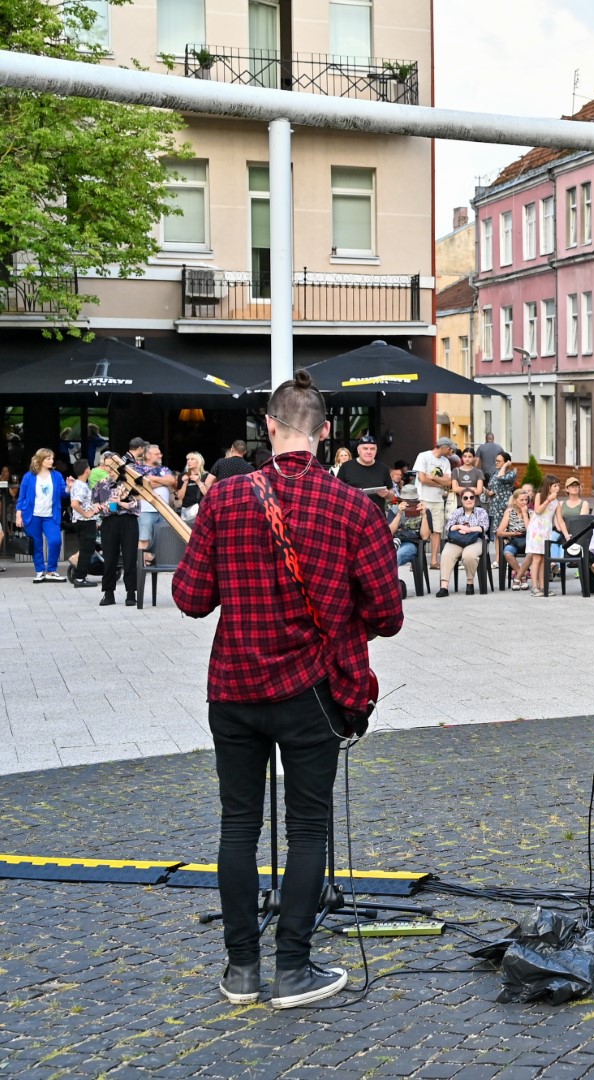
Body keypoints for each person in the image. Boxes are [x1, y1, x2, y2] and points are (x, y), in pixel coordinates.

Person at [174, 368, 403, 1009]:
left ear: (269, 427)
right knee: (306, 829)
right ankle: (293, 971)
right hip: (312, 690)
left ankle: (242, 971)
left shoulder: (224, 498)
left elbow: (191, 598)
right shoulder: (354, 507)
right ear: (324, 433)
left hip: (235, 686)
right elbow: (388, 615)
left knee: (238, 826)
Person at [92, 451, 141, 606]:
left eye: (113, 465)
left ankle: (131, 593)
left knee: (130, 559)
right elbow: (95, 504)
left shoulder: (129, 483)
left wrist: (120, 503)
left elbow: (137, 506)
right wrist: (98, 507)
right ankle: (108, 593)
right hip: (109, 522)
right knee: (109, 559)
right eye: (107, 466)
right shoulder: (101, 484)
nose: (110, 469)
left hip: (128, 521)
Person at [15, 448, 69, 582]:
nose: (51, 461)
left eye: (52, 458)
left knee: (55, 541)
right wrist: (18, 515)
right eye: (48, 458)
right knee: (36, 544)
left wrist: (69, 487)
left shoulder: (57, 475)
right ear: (40, 460)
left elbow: (64, 493)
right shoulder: (29, 476)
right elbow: (21, 497)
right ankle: (39, 571)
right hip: (32, 515)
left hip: (51, 515)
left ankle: (51, 570)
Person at [410, 438, 457, 569]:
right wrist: (440, 482)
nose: (451, 451)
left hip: (438, 499)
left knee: (437, 530)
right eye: (449, 449)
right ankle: (416, 560)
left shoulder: (445, 461)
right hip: (422, 497)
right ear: (443, 447)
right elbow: (422, 479)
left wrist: (434, 477)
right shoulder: (423, 456)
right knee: (420, 530)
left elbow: (449, 482)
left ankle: (434, 561)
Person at [437, 491, 489, 597]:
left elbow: (484, 527)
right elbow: (448, 527)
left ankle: (470, 583)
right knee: (446, 554)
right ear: (461, 500)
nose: (469, 500)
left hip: (476, 539)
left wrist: (469, 529)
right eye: (465, 498)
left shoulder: (481, 511)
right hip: (458, 540)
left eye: (471, 497)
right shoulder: (457, 512)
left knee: (469, 555)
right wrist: (459, 527)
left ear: (475, 499)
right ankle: (444, 587)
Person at [133, 443, 177, 566]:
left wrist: (151, 478)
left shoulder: (164, 468)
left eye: (160, 453)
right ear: (147, 455)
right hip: (146, 509)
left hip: (164, 510)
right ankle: (141, 565)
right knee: (144, 537)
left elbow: (172, 481)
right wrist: (163, 481)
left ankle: (161, 562)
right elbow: (143, 485)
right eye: (157, 454)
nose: (160, 455)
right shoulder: (138, 469)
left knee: (163, 537)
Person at [335, 435, 392, 517]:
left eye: (372, 449)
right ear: (358, 450)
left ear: (376, 451)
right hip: (352, 515)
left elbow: (392, 496)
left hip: (376, 517)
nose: (369, 452)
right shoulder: (346, 467)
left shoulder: (383, 468)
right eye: (365, 448)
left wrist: (386, 494)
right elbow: (336, 491)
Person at [67, 459, 100, 587]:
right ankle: (80, 578)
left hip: (82, 521)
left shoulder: (77, 484)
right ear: (86, 470)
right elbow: (74, 503)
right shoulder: (81, 486)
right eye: (89, 468)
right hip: (84, 521)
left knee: (86, 548)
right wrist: (86, 514)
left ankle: (80, 576)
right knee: (87, 549)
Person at [496, 487, 532, 588]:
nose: (524, 502)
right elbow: (499, 532)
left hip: (527, 541)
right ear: (515, 501)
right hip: (514, 541)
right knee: (507, 553)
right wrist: (513, 533)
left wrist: (524, 514)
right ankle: (523, 577)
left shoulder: (531, 513)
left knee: (531, 554)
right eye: (521, 500)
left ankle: (517, 579)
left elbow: (530, 530)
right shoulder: (509, 512)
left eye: (526, 500)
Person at [389, 485, 430, 572]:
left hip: (412, 543)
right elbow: (389, 532)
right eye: (406, 501)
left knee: (398, 555)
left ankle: (390, 579)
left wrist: (424, 515)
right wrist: (399, 514)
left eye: (413, 501)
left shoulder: (425, 511)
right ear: (402, 499)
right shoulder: (395, 510)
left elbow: (425, 537)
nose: (409, 503)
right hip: (394, 541)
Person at [486, 452, 518, 532]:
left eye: (499, 461)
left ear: (506, 462)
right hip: (494, 505)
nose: (496, 463)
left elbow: (500, 478)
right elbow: (490, 486)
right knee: (495, 531)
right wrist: (489, 492)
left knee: (503, 529)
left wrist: (505, 466)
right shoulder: (495, 473)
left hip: (504, 505)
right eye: (496, 461)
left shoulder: (511, 474)